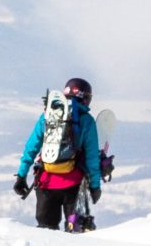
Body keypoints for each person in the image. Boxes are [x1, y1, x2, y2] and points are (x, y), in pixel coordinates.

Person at [13, 77, 111, 232]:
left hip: (45, 183)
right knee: (77, 231)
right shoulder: (86, 121)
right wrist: (95, 187)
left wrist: (21, 175)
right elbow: (92, 158)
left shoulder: (47, 116)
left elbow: (31, 148)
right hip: (74, 186)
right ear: (85, 98)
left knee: (45, 232)